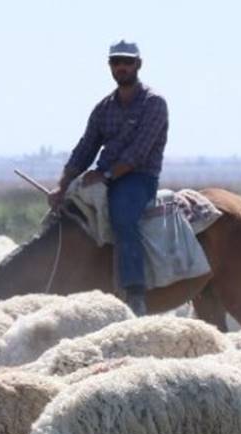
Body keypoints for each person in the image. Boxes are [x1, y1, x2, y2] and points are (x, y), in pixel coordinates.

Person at [47, 40, 169, 315]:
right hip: (103, 176)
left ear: (138, 64)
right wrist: (62, 186)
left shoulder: (154, 104)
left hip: (138, 178)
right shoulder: (104, 108)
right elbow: (85, 148)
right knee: (64, 215)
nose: (121, 66)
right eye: (116, 62)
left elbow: (138, 153)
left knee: (122, 217)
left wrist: (106, 175)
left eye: (127, 61)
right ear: (110, 66)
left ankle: (135, 291)